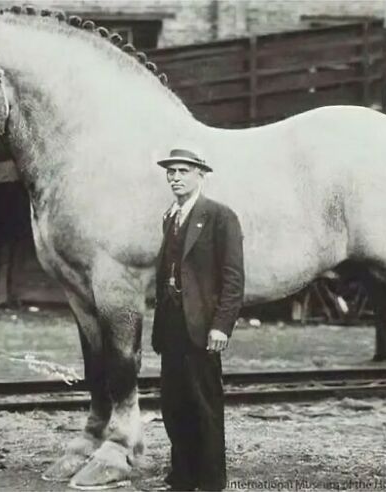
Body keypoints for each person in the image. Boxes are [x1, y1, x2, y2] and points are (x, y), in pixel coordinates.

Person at [152, 148, 244, 491]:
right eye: (171, 172)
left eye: (182, 171)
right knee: (174, 404)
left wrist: (222, 325)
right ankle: (182, 477)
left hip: (204, 326)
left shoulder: (220, 216)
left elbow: (233, 278)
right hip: (172, 324)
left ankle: (210, 481)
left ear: (200, 175)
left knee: (205, 403)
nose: (175, 177)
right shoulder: (170, 217)